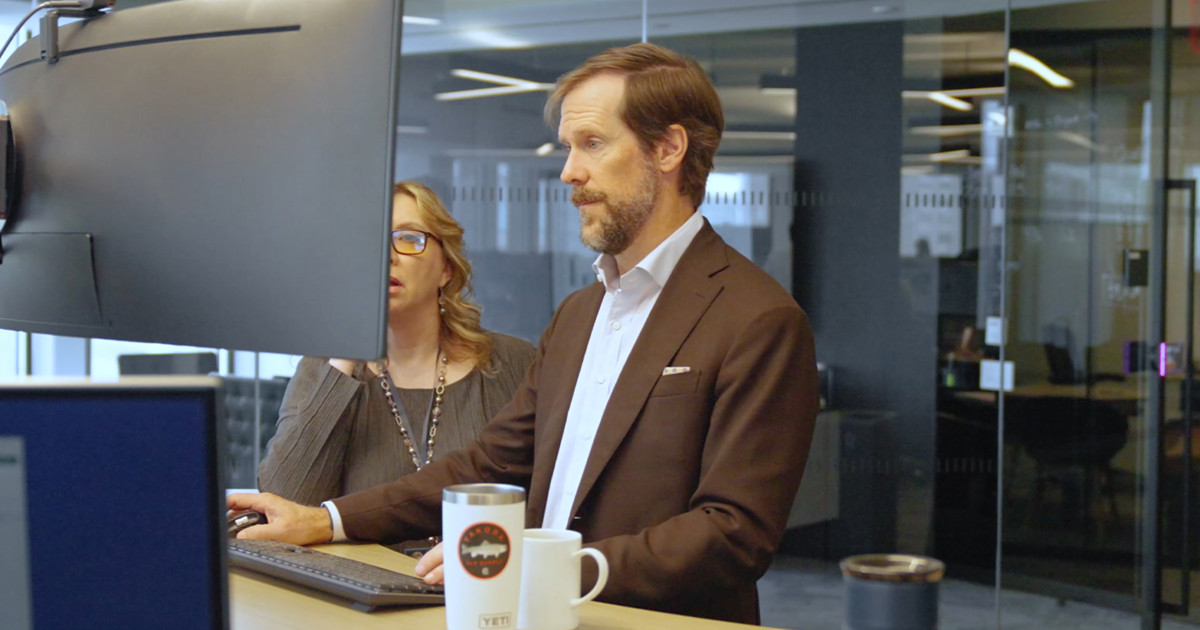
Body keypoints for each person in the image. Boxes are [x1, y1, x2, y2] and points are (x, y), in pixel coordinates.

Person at [229, 43, 818, 624]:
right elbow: (489, 463)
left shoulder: (758, 319)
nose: (569, 171)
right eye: (568, 147)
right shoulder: (579, 314)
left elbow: (733, 533)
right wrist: (327, 520)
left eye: (592, 143)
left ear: (668, 149)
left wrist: (545, 568)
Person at [255, 181, 536, 554]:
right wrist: (347, 350)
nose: (386, 256)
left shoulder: (511, 362)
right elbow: (284, 503)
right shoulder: (324, 368)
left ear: (446, 269)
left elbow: (547, 498)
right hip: (361, 586)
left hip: (480, 575)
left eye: (408, 239)